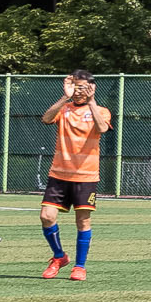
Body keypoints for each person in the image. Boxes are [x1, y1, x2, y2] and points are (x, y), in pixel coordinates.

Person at [38, 71, 112, 280]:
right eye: (75, 87)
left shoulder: (101, 111)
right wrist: (64, 97)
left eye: (82, 87)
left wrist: (92, 101)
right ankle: (59, 256)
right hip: (59, 174)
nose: (78, 92)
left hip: (86, 176)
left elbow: (102, 128)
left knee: (83, 221)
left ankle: (80, 267)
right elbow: (46, 119)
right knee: (46, 216)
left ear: (92, 88)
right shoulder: (65, 108)